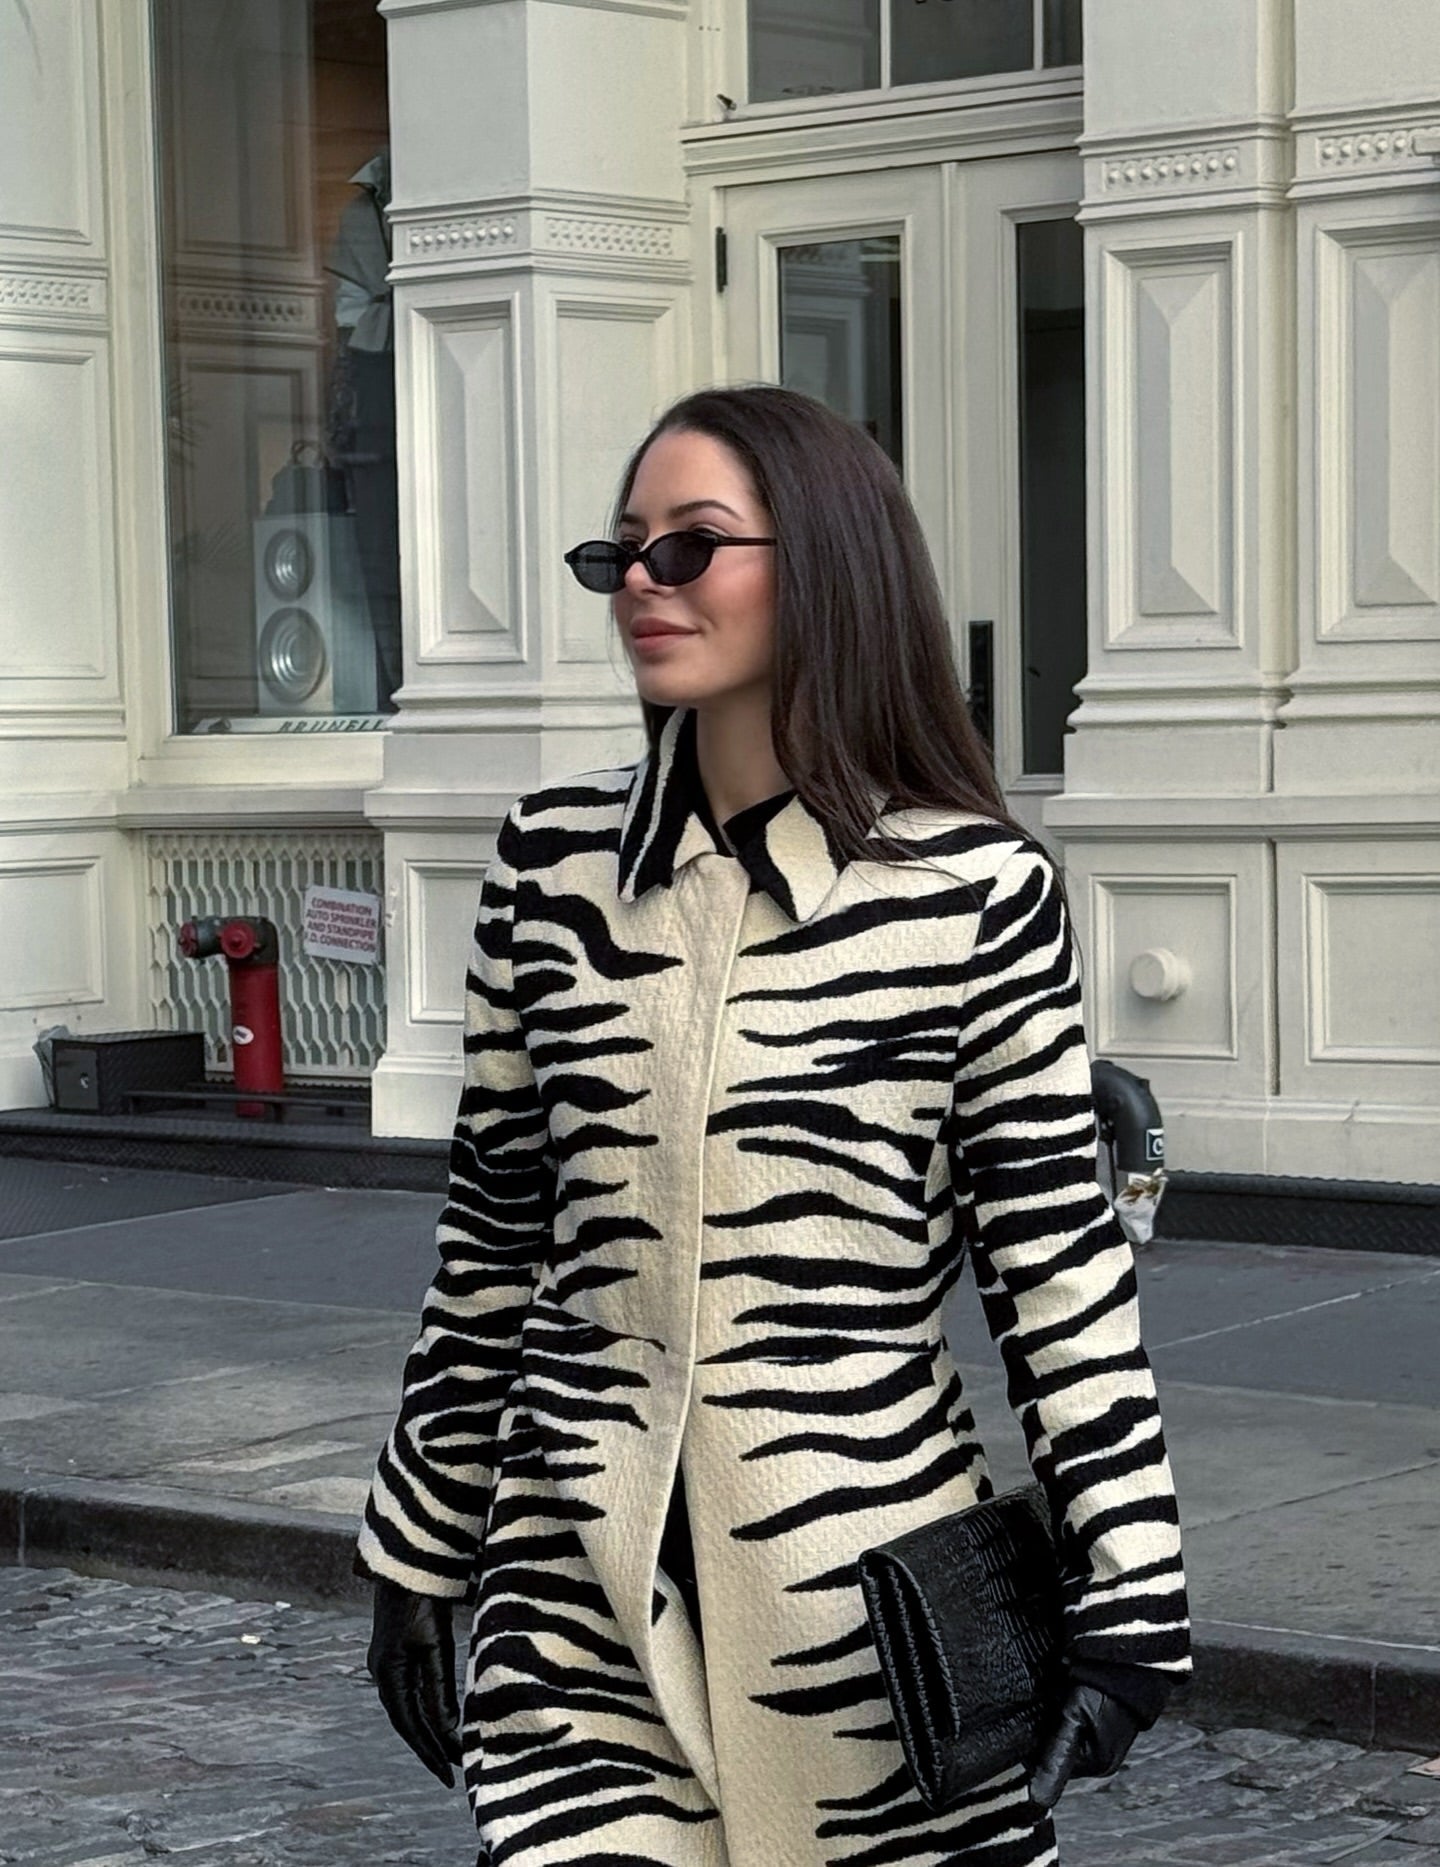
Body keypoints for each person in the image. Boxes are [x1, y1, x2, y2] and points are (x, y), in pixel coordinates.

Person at [356, 385, 1191, 1865]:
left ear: (824, 564)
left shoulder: (973, 897)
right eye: (620, 552)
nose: (641, 583)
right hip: (572, 1588)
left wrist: (1128, 1594)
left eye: (691, 546)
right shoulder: (551, 868)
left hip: (868, 1603)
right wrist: (419, 1544)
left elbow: (1059, 1276)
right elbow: (490, 1240)